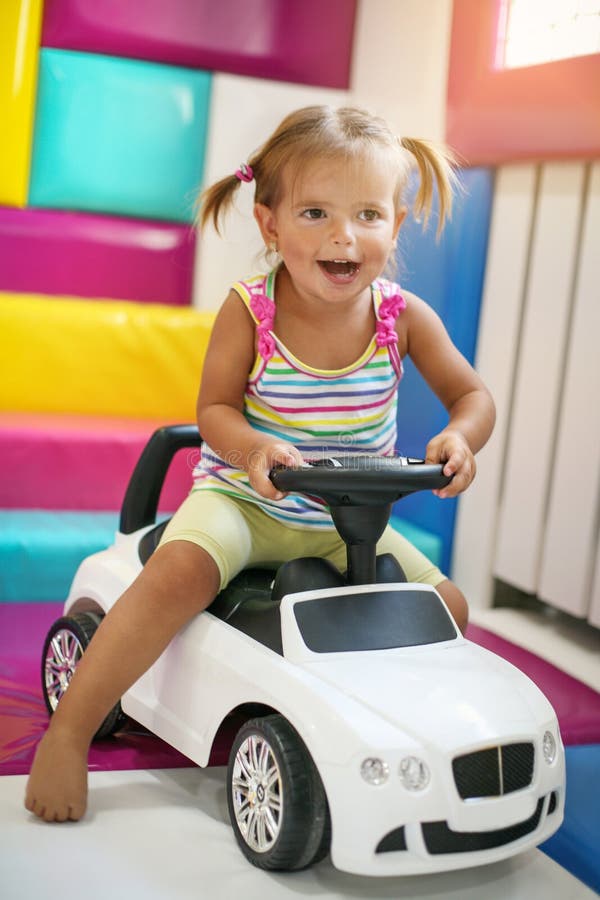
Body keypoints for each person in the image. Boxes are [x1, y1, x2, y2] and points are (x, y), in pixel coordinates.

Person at [25, 105, 495, 823]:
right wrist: (251, 451)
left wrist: (462, 437)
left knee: (450, 610)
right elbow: (213, 408)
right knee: (176, 573)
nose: (344, 236)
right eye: (316, 213)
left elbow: (473, 396)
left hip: (347, 523)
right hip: (247, 503)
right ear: (270, 225)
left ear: (395, 226)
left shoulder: (405, 317)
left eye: (368, 214)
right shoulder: (251, 310)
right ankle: (71, 729)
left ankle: (401, 746)